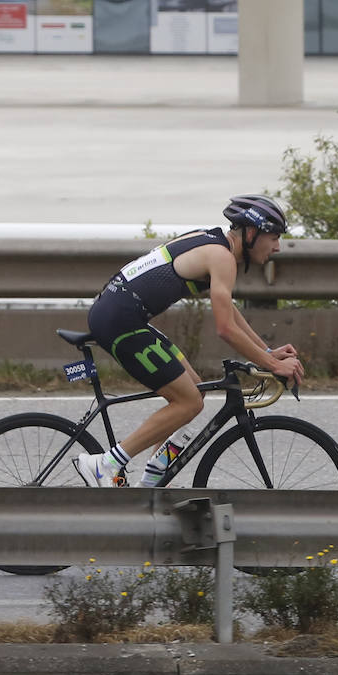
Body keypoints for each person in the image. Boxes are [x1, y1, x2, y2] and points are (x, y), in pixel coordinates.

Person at [73, 194, 306, 488]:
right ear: (251, 233)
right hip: (120, 321)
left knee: (193, 390)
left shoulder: (216, 242)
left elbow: (230, 312)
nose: (277, 246)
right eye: (273, 236)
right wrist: (273, 364)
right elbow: (225, 329)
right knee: (189, 401)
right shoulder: (222, 257)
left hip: (122, 314)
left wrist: (266, 351)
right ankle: (103, 466)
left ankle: (154, 474)